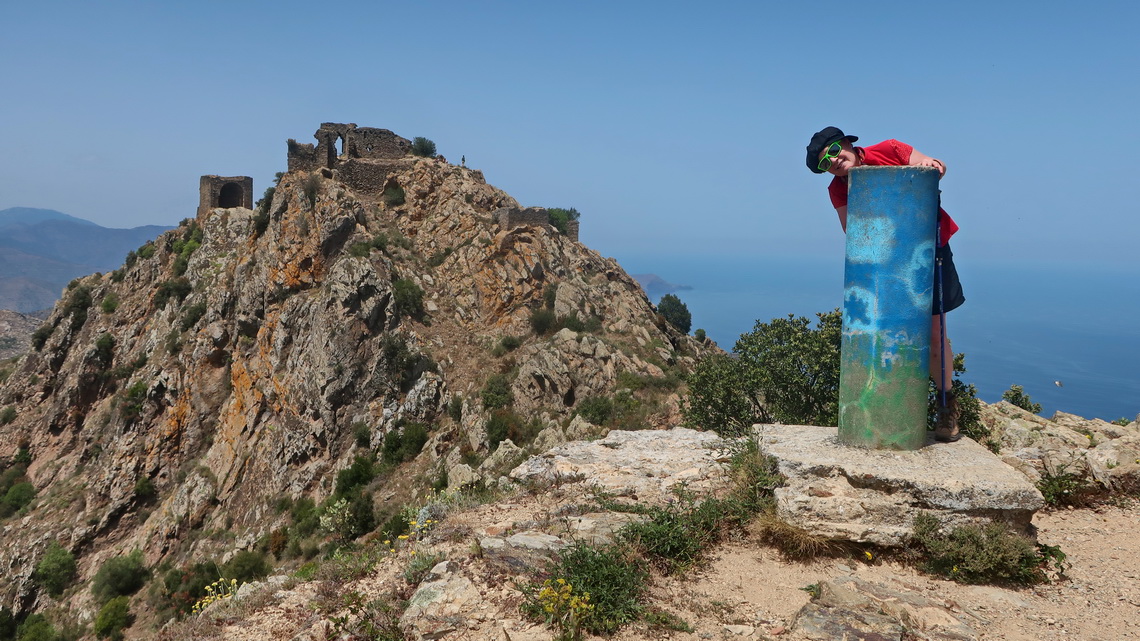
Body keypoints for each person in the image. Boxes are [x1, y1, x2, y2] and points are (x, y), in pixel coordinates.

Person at [805, 126, 965, 442]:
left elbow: (933, 166)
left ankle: (947, 406)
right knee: (886, 334)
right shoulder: (838, 189)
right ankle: (887, 411)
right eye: (825, 163)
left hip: (927, 252)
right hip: (886, 265)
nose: (834, 162)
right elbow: (852, 230)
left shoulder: (890, 149)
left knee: (935, 332)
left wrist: (934, 166)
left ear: (849, 143)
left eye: (835, 151)